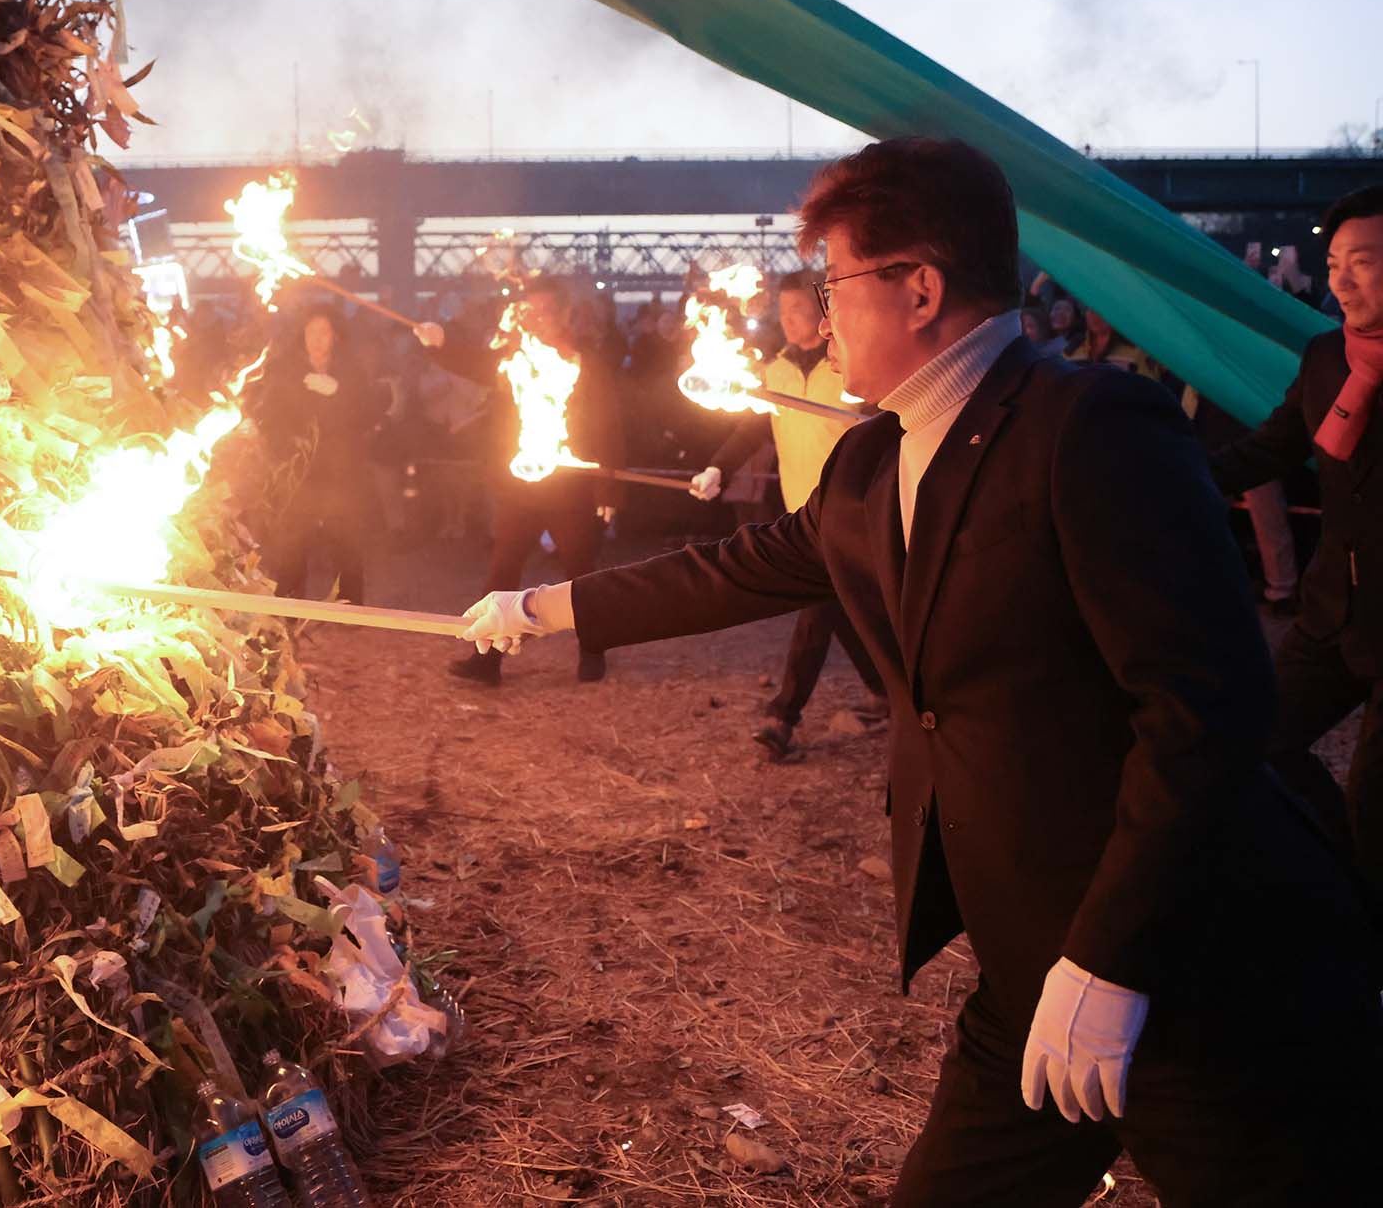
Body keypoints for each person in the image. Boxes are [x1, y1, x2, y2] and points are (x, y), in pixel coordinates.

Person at [462, 138, 1382, 1204]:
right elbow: (737, 569)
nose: (815, 309)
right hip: (1029, 963)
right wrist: (541, 606)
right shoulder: (871, 460)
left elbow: (1204, 712)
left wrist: (1112, 961)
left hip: (1202, 973)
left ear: (919, 288)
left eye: (831, 283)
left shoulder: (1088, 428)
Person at [1207, 185, 1383, 893]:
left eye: (1364, 261)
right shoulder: (1325, 356)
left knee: (1375, 804)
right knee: (1255, 742)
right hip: (1332, 610)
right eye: (1334, 261)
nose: (1340, 279)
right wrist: (1161, 472)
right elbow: (1272, 449)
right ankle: (1349, 878)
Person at [689, 269, 886, 760]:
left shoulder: (849, 370)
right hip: (802, 511)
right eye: (783, 312)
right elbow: (754, 429)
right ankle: (886, 690)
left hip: (854, 509)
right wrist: (718, 467)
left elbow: (891, 426)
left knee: (820, 605)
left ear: (824, 314)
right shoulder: (775, 371)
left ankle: (782, 715)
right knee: (841, 606)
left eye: (800, 311)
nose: (790, 321)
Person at [416, 281, 625, 685]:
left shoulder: (585, 364)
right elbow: (476, 363)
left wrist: (608, 489)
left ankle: (594, 648)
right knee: (502, 568)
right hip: (521, 485)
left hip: (569, 487)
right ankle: (488, 659)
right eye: (528, 311)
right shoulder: (516, 358)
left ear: (563, 314)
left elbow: (609, 427)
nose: (535, 319)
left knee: (579, 571)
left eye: (544, 310)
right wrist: (440, 343)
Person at [247, 304, 387, 603]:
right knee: (293, 538)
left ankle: (349, 604)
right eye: (312, 332)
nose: (318, 339)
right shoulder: (287, 371)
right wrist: (284, 449)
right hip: (300, 470)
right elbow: (270, 415)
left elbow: (367, 412)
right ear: (303, 335)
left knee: (347, 538)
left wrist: (339, 393)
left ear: (335, 336)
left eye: (324, 332)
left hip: (342, 469)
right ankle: (289, 603)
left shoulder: (350, 371)